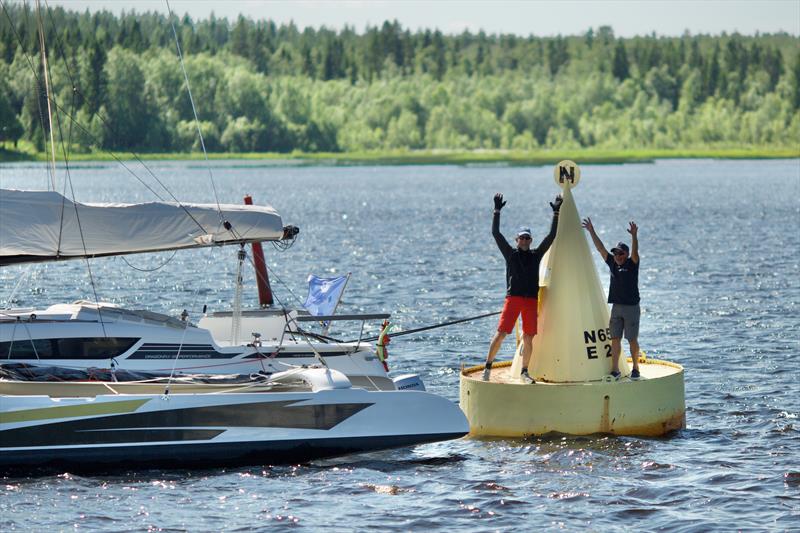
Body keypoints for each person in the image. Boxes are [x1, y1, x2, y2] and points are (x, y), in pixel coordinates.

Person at [482, 192, 562, 383]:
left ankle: (525, 372)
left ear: (530, 240)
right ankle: (488, 366)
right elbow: (496, 233)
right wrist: (497, 210)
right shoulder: (510, 254)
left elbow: (551, 236)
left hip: (531, 300)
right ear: (516, 239)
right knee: (501, 333)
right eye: (521, 238)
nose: (524, 241)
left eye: (527, 238)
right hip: (513, 298)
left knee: (528, 337)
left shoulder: (536, 255)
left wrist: (556, 213)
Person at [581, 218, 641, 379]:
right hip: (616, 307)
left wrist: (634, 236)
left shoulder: (632, 263)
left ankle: (635, 367)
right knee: (615, 339)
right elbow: (600, 248)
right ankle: (615, 370)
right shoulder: (612, 263)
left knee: (632, 339)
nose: (618, 256)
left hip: (631, 308)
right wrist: (591, 230)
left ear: (626, 254)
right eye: (616, 253)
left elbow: (635, 252)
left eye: (621, 253)